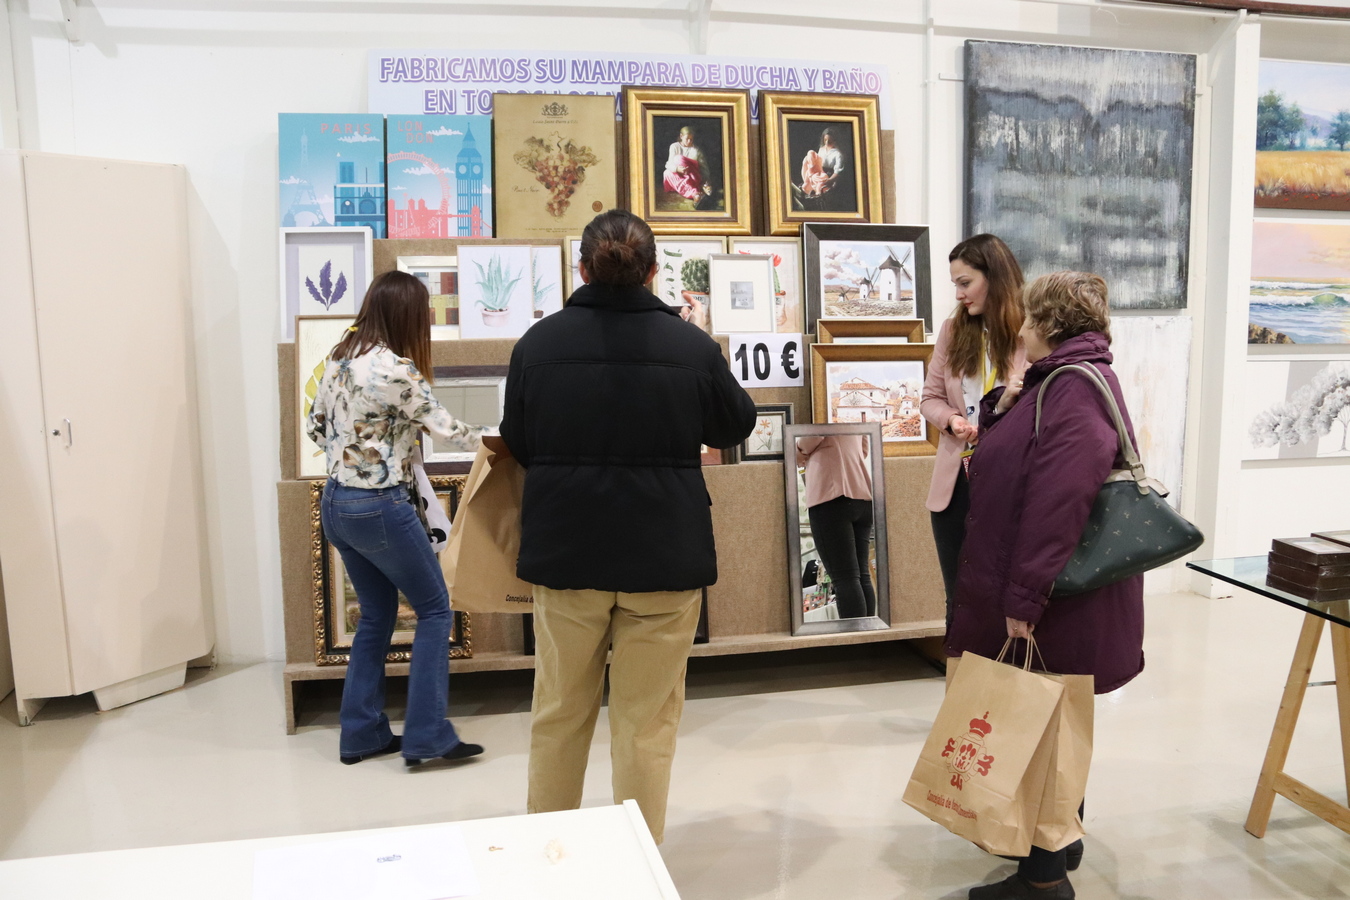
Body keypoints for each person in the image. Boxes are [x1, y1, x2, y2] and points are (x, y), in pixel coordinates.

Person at [499, 209, 756, 844]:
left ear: (580, 269)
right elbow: (737, 425)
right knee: (646, 724)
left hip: (566, 553)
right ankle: (635, 865)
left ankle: (547, 859)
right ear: (653, 272)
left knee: (558, 713)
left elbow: (519, 441)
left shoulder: (538, 344)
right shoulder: (692, 347)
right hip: (664, 558)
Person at [950, 271, 1146, 900]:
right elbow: (1011, 453)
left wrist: (1025, 597)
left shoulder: (1073, 389)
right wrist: (1004, 402)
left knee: (1043, 725)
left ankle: (1042, 879)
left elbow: (1058, 500)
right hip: (1054, 589)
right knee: (1052, 717)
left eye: (1030, 319)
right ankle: (1060, 839)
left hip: (1056, 595)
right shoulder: (1054, 383)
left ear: (1049, 325)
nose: (1021, 328)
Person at [306, 271, 485, 768]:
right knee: (434, 610)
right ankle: (427, 735)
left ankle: (361, 733)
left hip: (337, 503)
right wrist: (507, 436)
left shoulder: (340, 360)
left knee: (377, 617)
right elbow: (450, 430)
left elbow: (315, 429)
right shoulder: (394, 369)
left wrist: (364, 448)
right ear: (408, 315)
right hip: (380, 506)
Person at [920, 234, 1026, 635]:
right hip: (955, 483)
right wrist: (951, 421)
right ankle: (964, 691)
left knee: (1002, 596)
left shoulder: (1030, 335)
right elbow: (929, 398)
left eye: (966, 282)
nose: (960, 294)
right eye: (955, 285)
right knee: (959, 597)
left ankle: (1004, 692)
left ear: (994, 277)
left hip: (1005, 482)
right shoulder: (952, 330)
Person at [796, 434, 876, 619]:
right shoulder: (845, 413)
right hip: (862, 496)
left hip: (831, 496)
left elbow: (815, 434)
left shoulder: (821, 410)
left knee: (845, 579)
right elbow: (864, 449)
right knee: (861, 575)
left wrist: (798, 450)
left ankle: (854, 642)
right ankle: (867, 640)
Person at [663, 125, 713, 202]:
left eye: (691, 139)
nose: (689, 141)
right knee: (666, 173)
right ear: (681, 136)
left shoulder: (696, 150)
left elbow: (704, 167)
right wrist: (677, 169)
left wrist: (706, 181)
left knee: (678, 158)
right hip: (679, 177)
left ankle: (693, 192)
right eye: (687, 139)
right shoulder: (674, 146)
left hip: (692, 178)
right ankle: (695, 194)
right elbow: (668, 164)